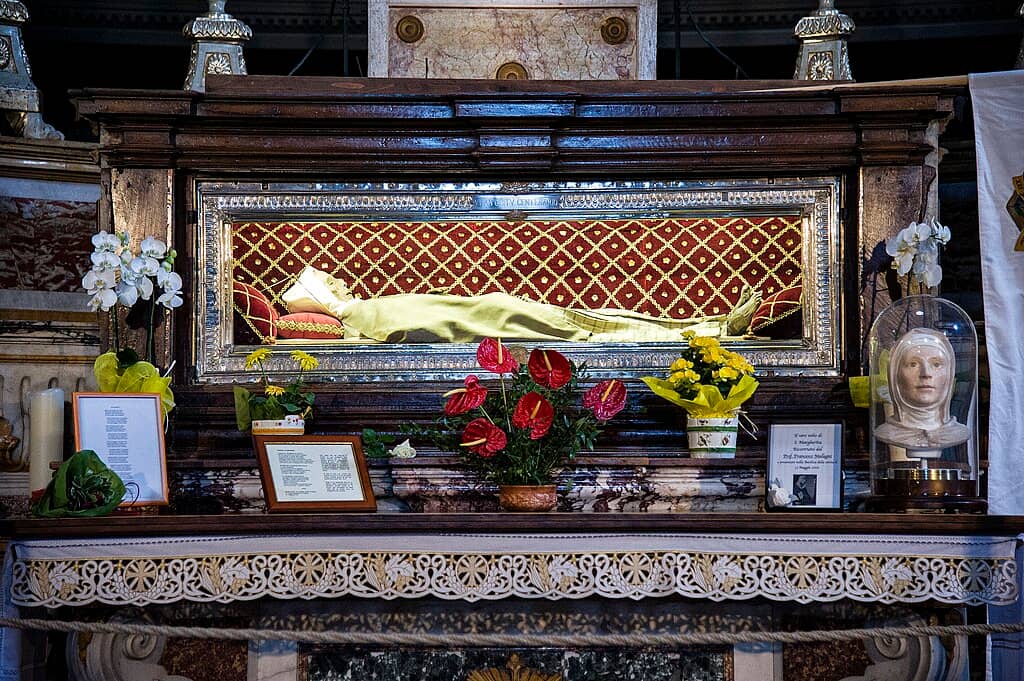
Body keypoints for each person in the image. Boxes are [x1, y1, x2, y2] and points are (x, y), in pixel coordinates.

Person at [280, 266, 761, 344]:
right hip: (499, 324)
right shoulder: (361, 320)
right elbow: (438, 327)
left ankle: (710, 325)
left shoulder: (368, 308)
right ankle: (710, 332)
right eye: (329, 283)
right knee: (593, 332)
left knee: (595, 323)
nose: (340, 281)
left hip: (496, 312)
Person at [874, 327, 970, 454]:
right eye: (913, 364)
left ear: (949, 375)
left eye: (936, 364)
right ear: (896, 376)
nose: (926, 373)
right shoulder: (887, 432)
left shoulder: (958, 432)